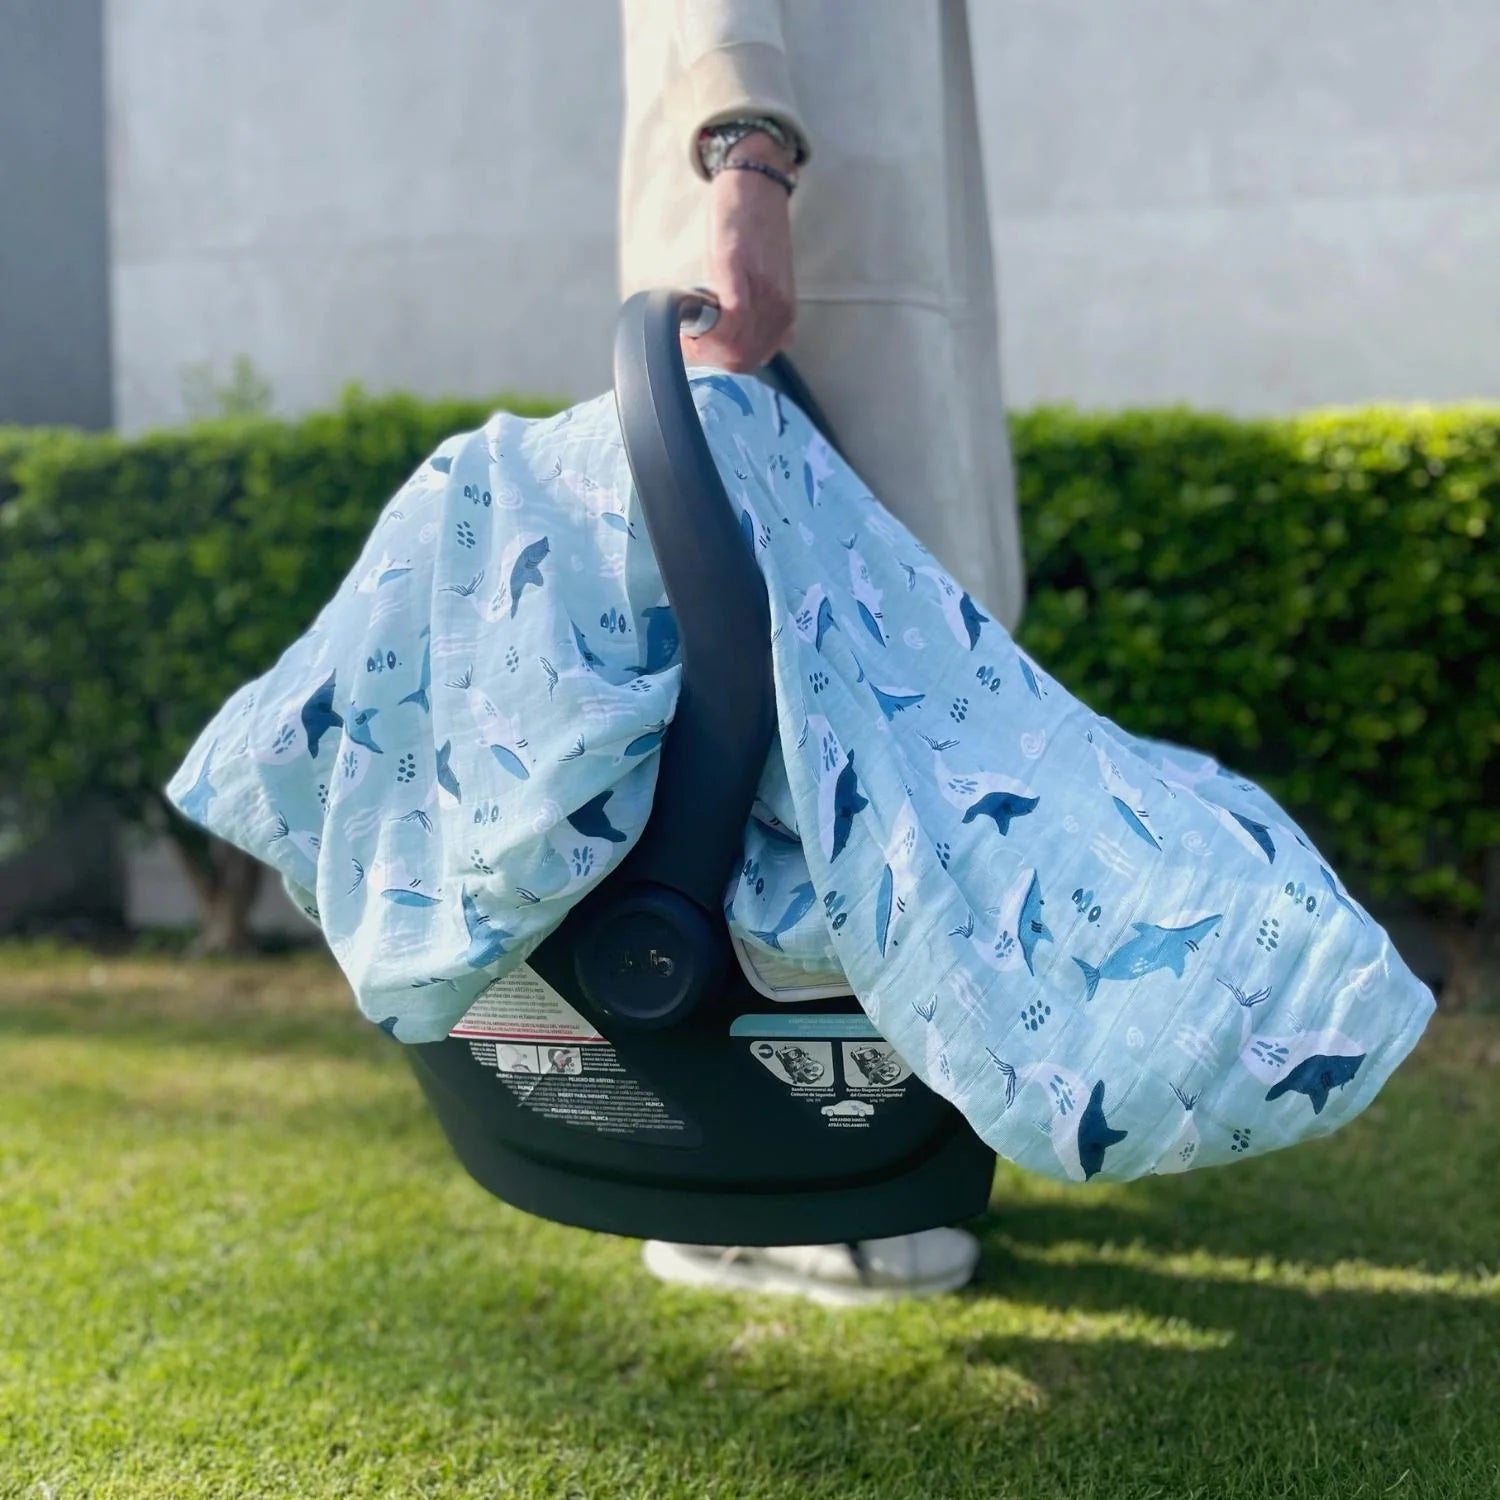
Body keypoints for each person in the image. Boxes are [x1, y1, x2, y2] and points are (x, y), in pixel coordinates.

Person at [618, 0, 1025, 1303]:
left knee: (915, 721)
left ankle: (874, 1165)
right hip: (789, 242)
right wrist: (744, 149)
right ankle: (779, 1195)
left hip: (848, 241)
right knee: (806, 735)